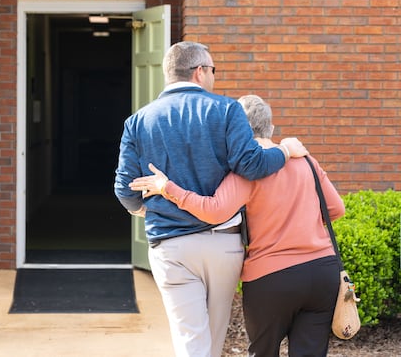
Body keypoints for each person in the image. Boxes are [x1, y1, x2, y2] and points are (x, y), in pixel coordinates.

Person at [113, 41, 308, 357]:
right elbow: (252, 165)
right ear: (200, 71)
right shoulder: (227, 109)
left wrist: (143, 209)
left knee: (192, 343)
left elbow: (125, 189)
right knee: (213, 343)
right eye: (213, 70)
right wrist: (284, 151)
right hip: (222, 244)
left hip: (170, 245)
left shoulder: (138, 121)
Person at [129, 94, 345, 357]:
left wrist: (167, 188)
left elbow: (213, 210)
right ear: (271, 128)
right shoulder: (306, 161)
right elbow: (335, 209)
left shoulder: (248, 171)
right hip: (321, 271)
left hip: (272, 276)